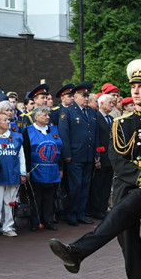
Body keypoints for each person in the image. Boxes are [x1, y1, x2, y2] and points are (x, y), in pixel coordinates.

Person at [49, 59, 141, 279]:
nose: (135, 91)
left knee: (119, 219)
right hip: (127, 188)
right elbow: (117, 161)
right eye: (133, 86)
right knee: (131, 257)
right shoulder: (121, 123)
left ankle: (78, 252)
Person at [58, 82, 100, 226]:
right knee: (75, 186)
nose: (86, 98)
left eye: (88, 95)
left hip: (88, 155)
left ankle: (81, 213)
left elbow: (95, 134)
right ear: (75, 96)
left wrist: (96, 154)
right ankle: (72, 214)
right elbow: (64, 134)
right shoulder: (68, 112)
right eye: (84, 95)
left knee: (85, 186)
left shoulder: (91, 112)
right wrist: (67, 154)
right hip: (75, 155)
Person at [22, 106, 62, 231]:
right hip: (36, 170)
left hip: (52, 170)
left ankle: (49, 220)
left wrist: (61, 168)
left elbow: (60, 150)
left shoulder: (54, 130)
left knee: (50, 197)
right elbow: (26, 153)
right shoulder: (27, 131)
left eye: (48, 115)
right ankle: (36, 221)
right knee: (36, 197)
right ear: (36, 117)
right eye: (45, 115)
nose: (48, 117)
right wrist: (26, 170)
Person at [0, 111, 26, 237]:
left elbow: (21, 156)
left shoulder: (17, 137)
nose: (8, 122)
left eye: (8, 120)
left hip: (13, 174)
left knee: (9, 202)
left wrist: (23, 172)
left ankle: (8, 226)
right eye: (4, 120)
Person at [87, 93, 115, 220]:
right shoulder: (96, 118)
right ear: (101, 103)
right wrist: (96, 155)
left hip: (110, 157)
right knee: (98, 184)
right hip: (101, 156)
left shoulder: (112, 119)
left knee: (106, 184)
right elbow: (95, 137)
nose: (112, 104)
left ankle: (103, 208)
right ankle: (96, 209)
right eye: (109, 102)